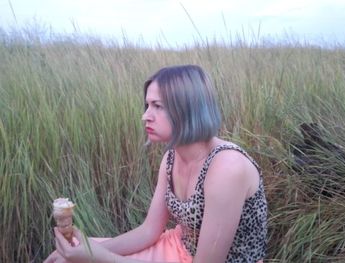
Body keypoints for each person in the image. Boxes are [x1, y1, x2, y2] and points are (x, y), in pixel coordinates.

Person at [44, 65, 267, 263]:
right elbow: (149, 231)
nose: (145, 116)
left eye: (158, 106)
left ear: (187, 108)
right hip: (179, 248)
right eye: (147, 105)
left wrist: (99, 257)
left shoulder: (227, 168)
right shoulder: (171, 158)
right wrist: (89, 251)